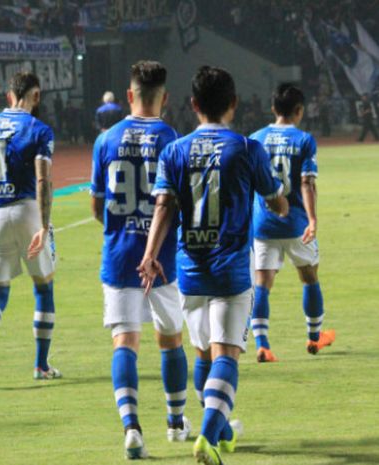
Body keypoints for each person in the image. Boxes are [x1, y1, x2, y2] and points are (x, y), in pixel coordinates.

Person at [138, 66, 288, 465]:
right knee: (226, 354)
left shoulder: (175, 150)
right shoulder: (246, 148)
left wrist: (151, 254)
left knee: (203, 353)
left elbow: (164, 206)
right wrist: (281, 201)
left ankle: (222, 434)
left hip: (189, 270)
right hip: (231, 270)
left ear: (194, 105)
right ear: (234, 103)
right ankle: (206, 437)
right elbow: (275, 199)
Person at [90, 61, 190, 460]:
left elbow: (97, 206)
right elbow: (177, 203)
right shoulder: (172, 138)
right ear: (164, 98)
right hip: (163, 257)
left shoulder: (106, 139)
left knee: (125, 342)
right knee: (170, 340)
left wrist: (121, 225)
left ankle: (131, 427)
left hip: (119, 256)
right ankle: (176, 421)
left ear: (129, 96)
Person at [0, 71, 60, 390]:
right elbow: (42, 181)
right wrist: (44, 225)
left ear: (9, 95)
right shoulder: (39, 129)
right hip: (27, 211)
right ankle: (41, 364)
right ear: (35, 96)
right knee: (43, 287)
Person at [249, 84, 336, 363]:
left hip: (263, 224)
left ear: (273, 108)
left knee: (262, 282)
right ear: (299, 111)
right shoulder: (304, 139)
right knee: (309, 276)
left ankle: (262, 344)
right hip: (296, 223)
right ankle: (314, 338)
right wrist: (312, 219)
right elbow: (307, 182)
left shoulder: (255, 138)